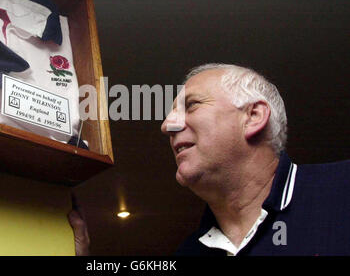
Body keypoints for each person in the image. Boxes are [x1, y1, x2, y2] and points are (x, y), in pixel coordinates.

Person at [68, 63, 350, 256]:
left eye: (191, 105)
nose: (166, 125)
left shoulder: (342, 191)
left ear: (252, 117)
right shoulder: (190, 252)